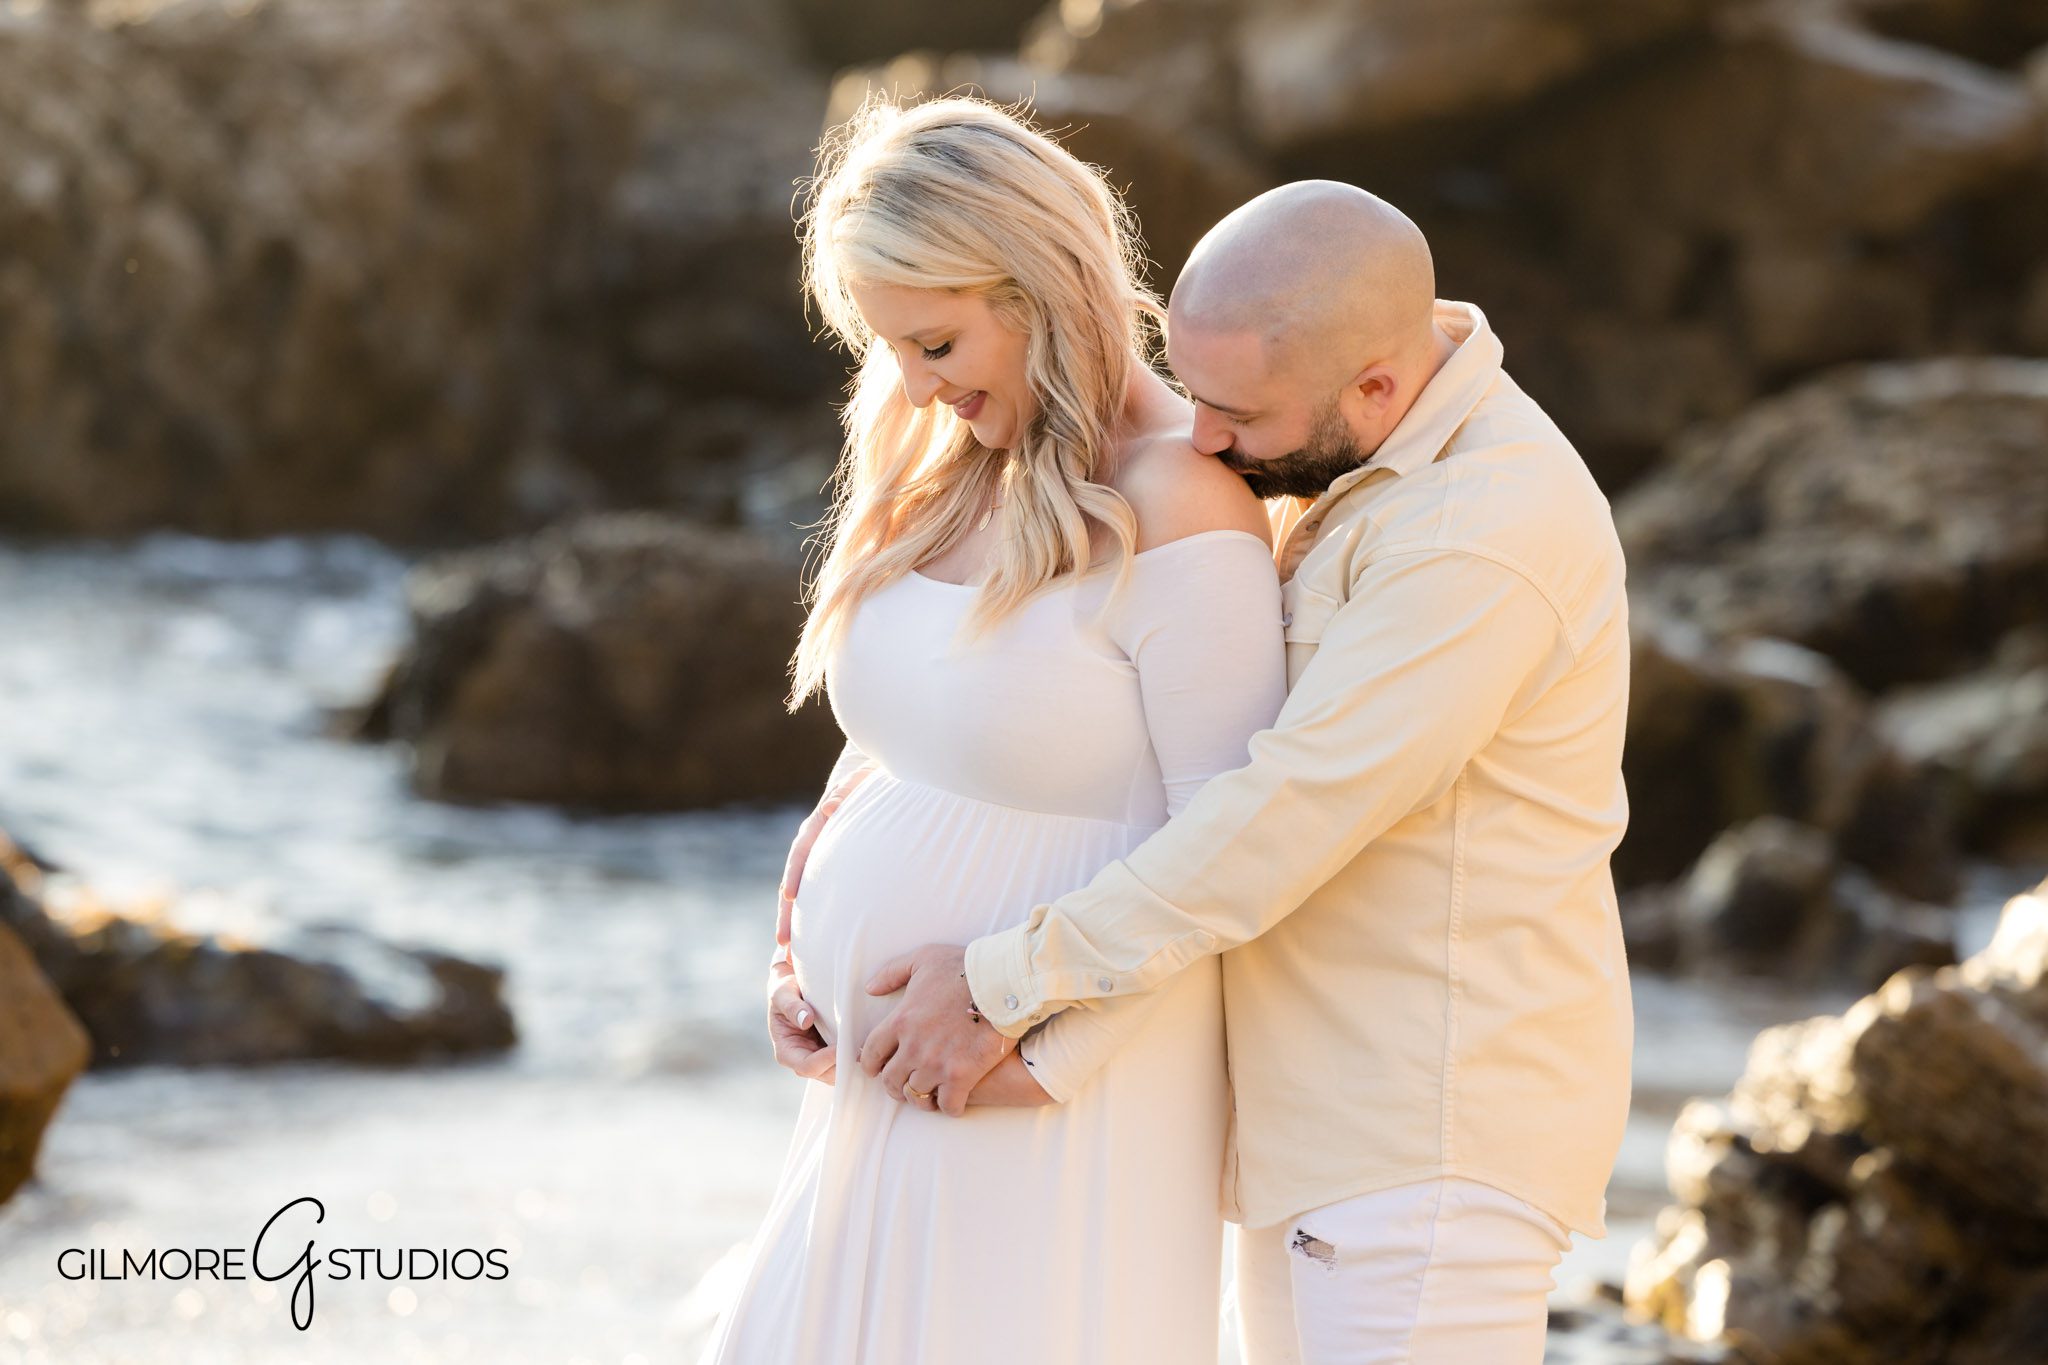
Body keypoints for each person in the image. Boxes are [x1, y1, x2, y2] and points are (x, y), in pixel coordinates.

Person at [818, 181, 1637, 1363]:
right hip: (1312, 1127)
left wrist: (1004, 984)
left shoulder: (1476, 533)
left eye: (1236, 415)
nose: (1199, 440)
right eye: (1193, 394)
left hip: (1419, 1135)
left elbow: (1281, 816)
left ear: (1374, 386)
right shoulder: (1351, 450)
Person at [701, 96, 1288, 1364]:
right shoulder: (956, 469)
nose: (910, 384)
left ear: (1032, 285)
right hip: (897, 1076)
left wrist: (1053, 1053)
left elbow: (1232, 845)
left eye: (934, 341)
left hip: (1043, 1093)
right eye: (890, 350)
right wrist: (798, 943)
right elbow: (912, 741)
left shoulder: (1181, 502)